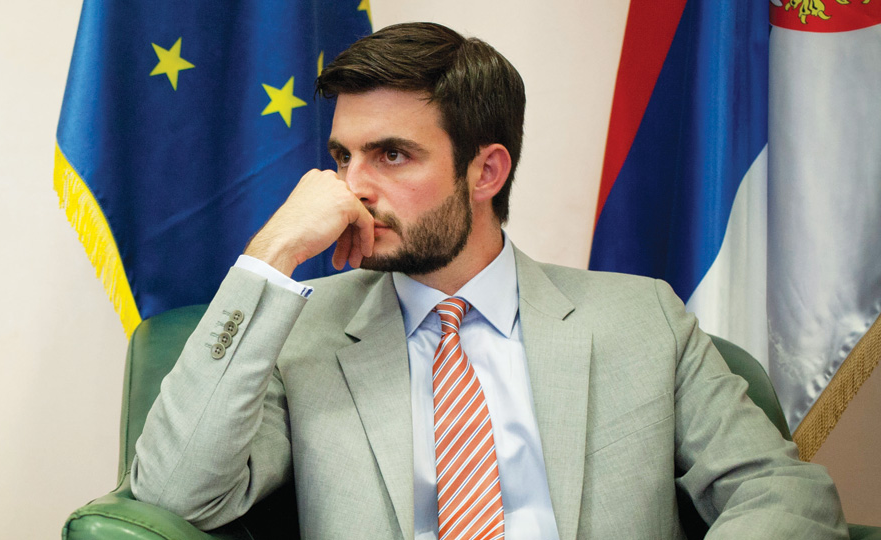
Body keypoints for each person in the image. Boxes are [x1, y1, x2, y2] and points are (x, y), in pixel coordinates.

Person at [130, 22, 847, 539]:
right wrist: (273, 252)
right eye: (343, 157)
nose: (354, 187)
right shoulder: (299, 334)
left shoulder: (643, 320)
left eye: (392, 155)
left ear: (486, 171)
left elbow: (781, 491)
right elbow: (173, 494)